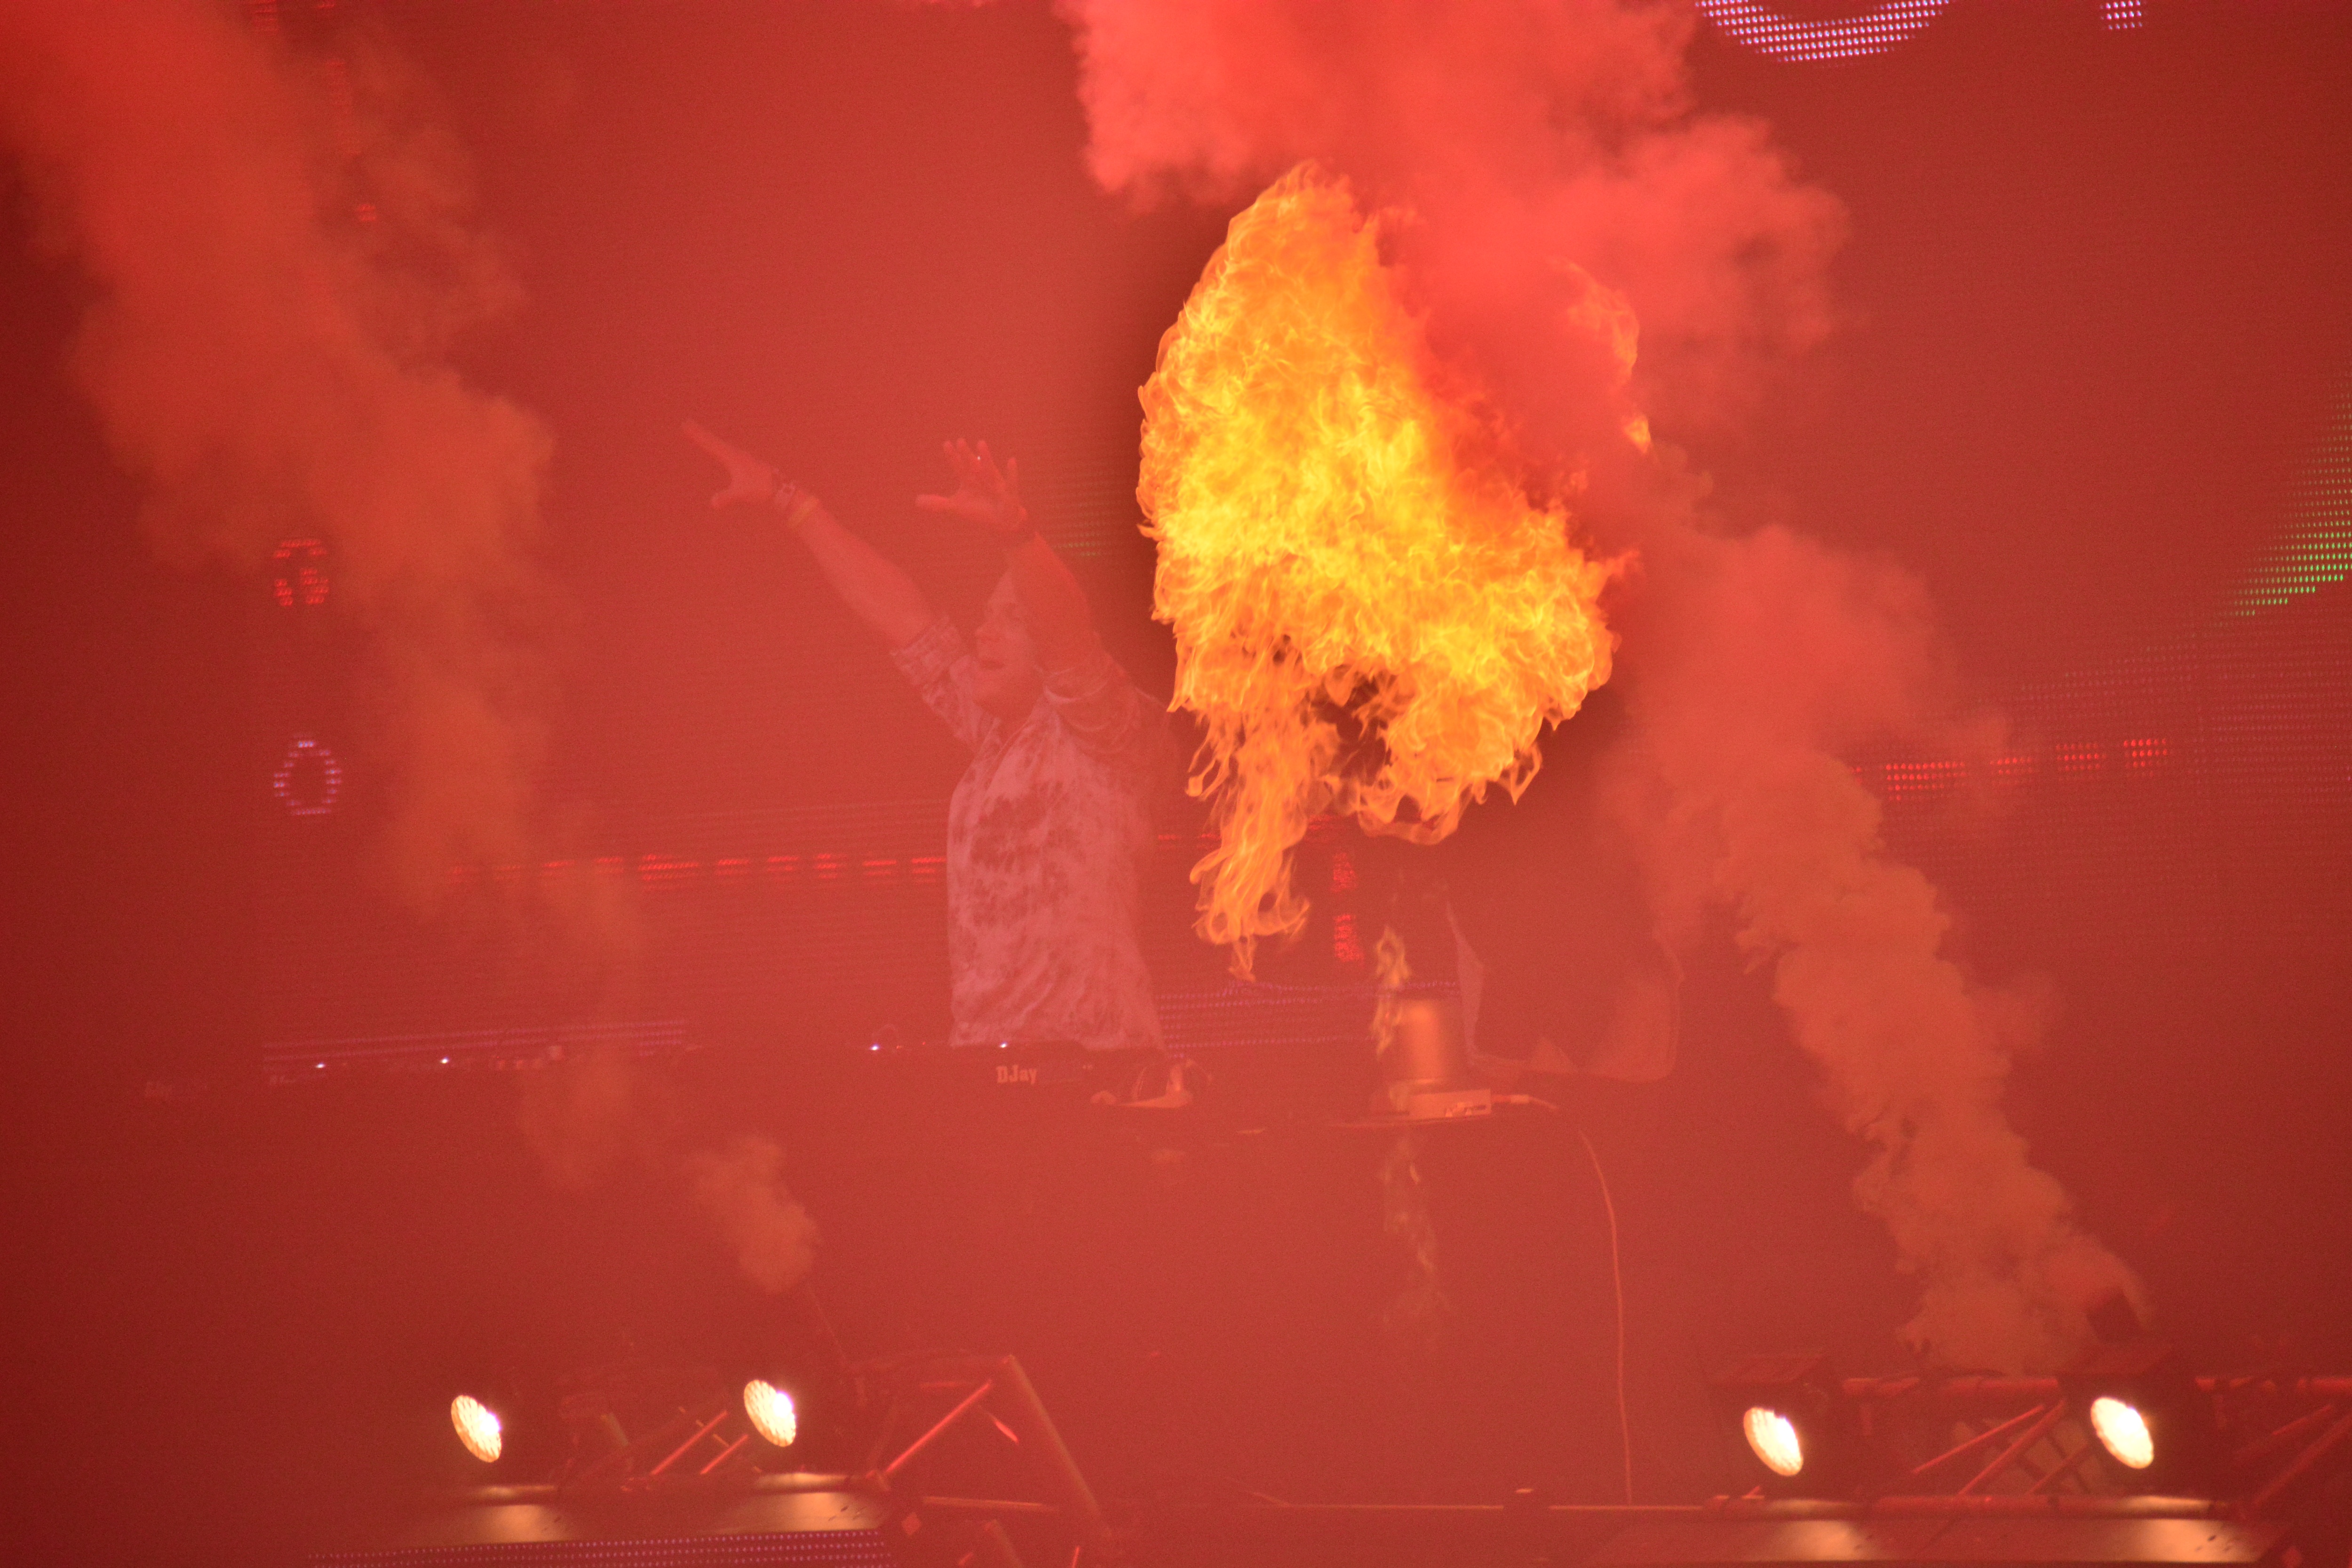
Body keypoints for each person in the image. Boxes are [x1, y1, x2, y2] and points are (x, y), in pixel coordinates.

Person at [685, 422, 1170, 1056]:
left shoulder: (1107, 733)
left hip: (1094, 1068)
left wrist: (1017, 534)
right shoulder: (994, 735)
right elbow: (907, 621)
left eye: (1011, 620)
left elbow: (1067, 632)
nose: (983, 632)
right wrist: (789, 501)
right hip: (984, 1068)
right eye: (986, 617)